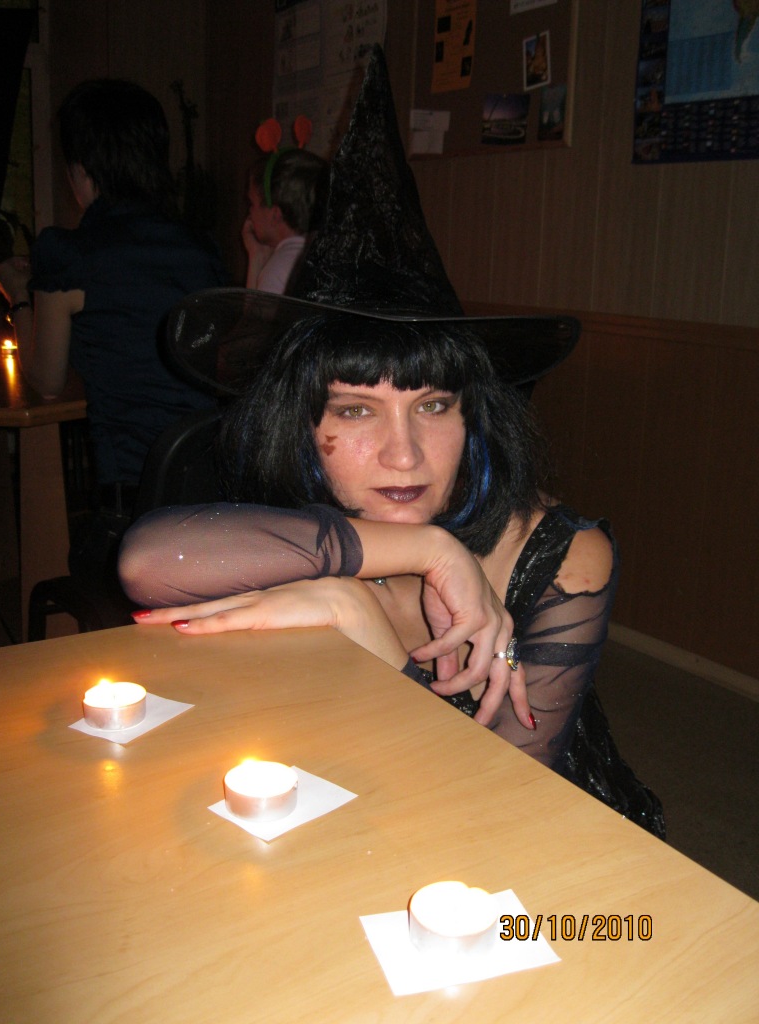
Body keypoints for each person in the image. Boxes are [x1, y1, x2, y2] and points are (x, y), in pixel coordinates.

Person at [118, 48, 664, 837]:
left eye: (434, 404)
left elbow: (496, 812)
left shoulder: (562, 556)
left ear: (475, 414)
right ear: (301, 423)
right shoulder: (318, 522)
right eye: (355, 411)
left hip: (556, 852)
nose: (404, 456)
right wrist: (428, 552)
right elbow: (146, 561)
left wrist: (375, 641)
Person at [0, 77, 227, 503]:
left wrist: (19, 296)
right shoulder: (201, 248)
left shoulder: (69, 254)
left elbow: (47, 380)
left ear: (82, 168)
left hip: (136, 497)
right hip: (211, 484)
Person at [241, 147, 328, 293]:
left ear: (275, 214)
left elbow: (255, 309)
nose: (250, 212)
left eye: (252, 203)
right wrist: (258, 254)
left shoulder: (278, 269)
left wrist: (255, 259)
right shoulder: (320, 251)